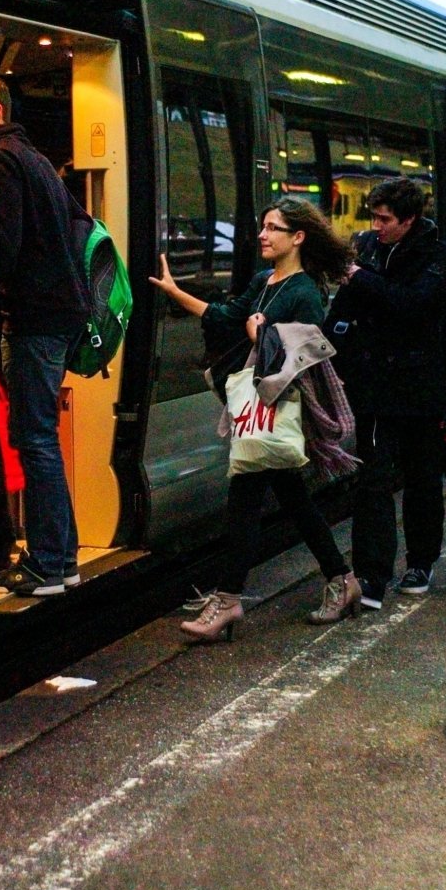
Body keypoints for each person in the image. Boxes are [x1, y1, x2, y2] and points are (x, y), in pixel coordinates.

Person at [150, 198, 357, 641]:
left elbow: (306, 355)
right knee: (293, 500)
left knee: (244, 499)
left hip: (279, 406)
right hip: (259, 408)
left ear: (297, 237)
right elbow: (227, 316)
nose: (262, 235)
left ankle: (227, 602)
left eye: (272, 228)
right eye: (262, 227)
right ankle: (341, 579)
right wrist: (175, 292)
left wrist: (259, 334)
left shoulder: (305, 292)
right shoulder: (266, 280)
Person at [326, 176, 446, 605]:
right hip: (376, 383)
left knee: (421, 478)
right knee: (373, 481)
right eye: (374, 217)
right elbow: (347, 308)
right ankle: (372, 574)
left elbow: (414, 305)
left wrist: (362, 280)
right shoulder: (366, 248)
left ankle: (421, 561)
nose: (376, 226)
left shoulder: (436, 255)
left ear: (410, 219)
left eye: (385, 219)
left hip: (420, 386)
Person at [0, 81, 92, 597]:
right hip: (58, 314)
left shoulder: (5, 159)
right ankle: (63, 558)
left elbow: (4, 247)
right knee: (41, 437)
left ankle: (48, 564)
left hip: (33, 317)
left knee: (35, 439)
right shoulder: (39, 161)